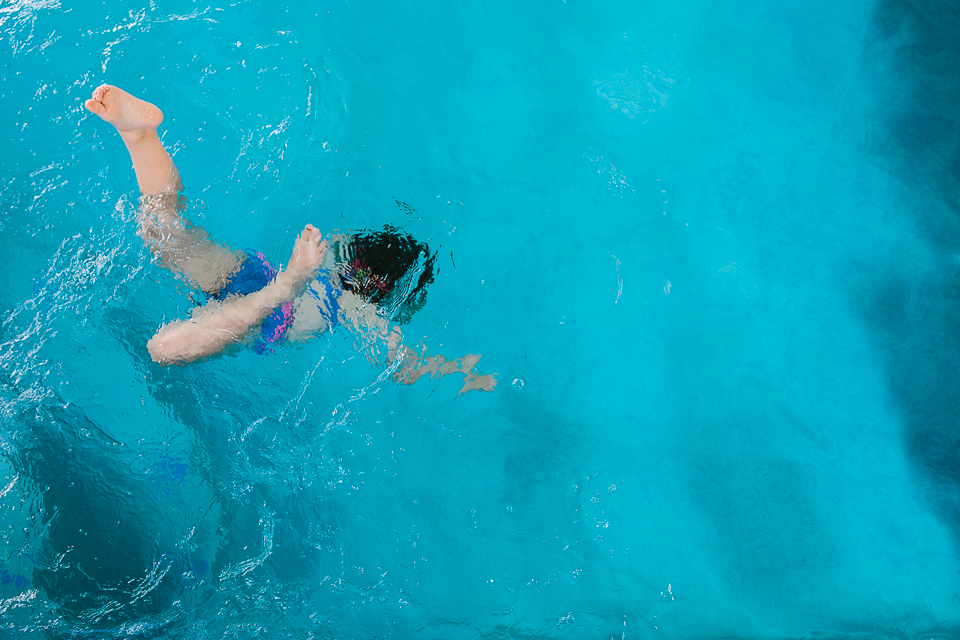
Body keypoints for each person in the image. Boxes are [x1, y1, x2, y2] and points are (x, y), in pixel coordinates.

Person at [84, 84, 495, 396]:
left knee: (162, 228)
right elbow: (405, 365)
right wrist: (465, 371)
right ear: (384, 287)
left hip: (253, 271)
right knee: (162, 350)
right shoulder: (358, 310)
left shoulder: (336, 246)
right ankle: (288, 284)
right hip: (272, 317)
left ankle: (141, 138)